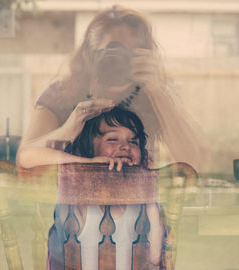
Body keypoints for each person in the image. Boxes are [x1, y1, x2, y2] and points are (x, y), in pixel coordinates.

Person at [17, 5, 206, 171]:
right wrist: (68, 129)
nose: (116, 59)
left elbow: (192, 162)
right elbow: (24, 159)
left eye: (126, 53)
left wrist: (156, 90)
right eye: (109, 50)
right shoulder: (63, 94)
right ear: (89, 54)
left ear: (143, 56)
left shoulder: (152, 96)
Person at [43, 106, 164, 270]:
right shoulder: (78, 198)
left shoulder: (143, 205)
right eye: (113, 139)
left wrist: (147, 185)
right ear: (89, 149)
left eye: (133, 142)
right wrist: (87, 163)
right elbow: (31, 156)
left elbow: (156, 258)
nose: (125, 146)